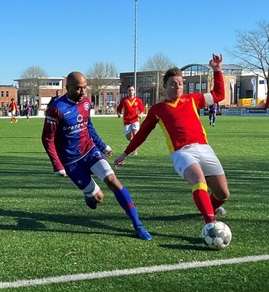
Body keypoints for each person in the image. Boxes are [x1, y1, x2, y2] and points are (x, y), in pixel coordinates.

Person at [113, 54, 229, 227]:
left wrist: (217, 70)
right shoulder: (158, 109)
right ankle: (211, 224)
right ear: (165, 86)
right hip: (182, 152)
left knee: (223, 194)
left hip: (204, 148)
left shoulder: (192, 99)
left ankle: (207, 207)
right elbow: (143, 132)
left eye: (181, 84)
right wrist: (126, 153)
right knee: (199, 180)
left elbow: (218, 95)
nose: (178, 87)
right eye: (173, 84)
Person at [42, 71, 151, 241]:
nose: (83, 92)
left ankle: (137, 224)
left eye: (85, 87)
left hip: (90, 150)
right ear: (67, 88)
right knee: (98, 198)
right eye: (78, 88)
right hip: (71, 162)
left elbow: (88, 127)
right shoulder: (56, 108)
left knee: (113, 181)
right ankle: (89, 196)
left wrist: (103, 146)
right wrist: (57, 165)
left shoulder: (86, 102)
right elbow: (47, 139)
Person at [116, 85, 145, 155]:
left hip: (135, 120)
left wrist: (141, 114)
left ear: (134, 91)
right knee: (129, 137)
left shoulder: (138, 100)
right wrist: (119, 114)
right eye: (129, 90)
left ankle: (134, 150)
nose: (131, 91)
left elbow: (142, 109)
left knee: (135, 134)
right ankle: (132, 146)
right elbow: (119, 109)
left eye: (132, 90)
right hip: (126, 121)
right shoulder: (124, 100)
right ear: (127, 91)